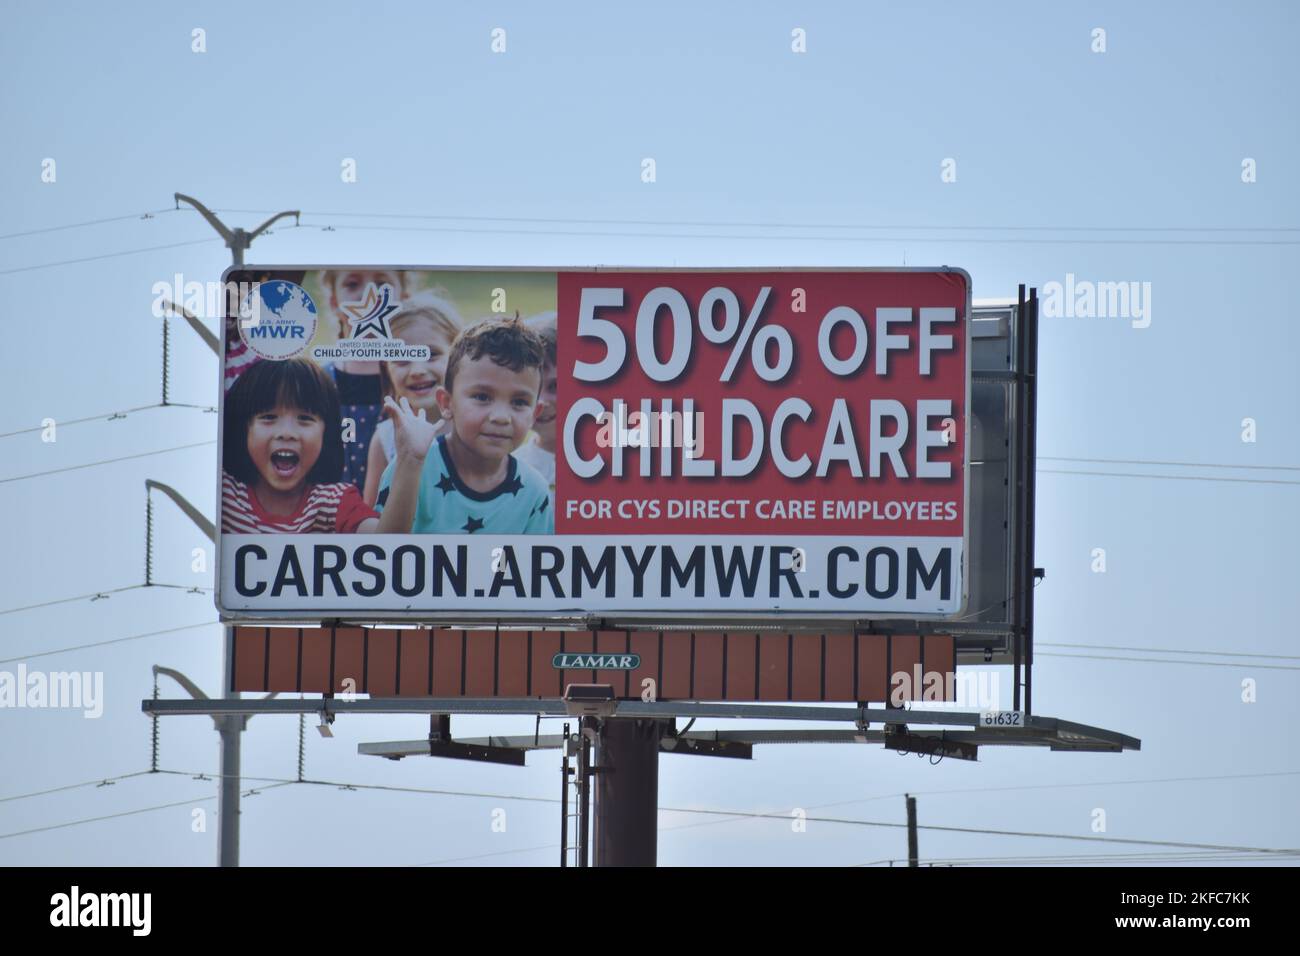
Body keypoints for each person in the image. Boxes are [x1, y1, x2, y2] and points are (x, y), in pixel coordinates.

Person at [375, 315, 554, 534]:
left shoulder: (534, 492)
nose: (501, 417)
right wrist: (409, 464)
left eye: (519, 402)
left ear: (534, 414)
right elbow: (384, 553)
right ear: (446, 403)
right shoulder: (410, 467)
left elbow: (532, 566)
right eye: (482, 397)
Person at [221, 358, 427, 534]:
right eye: (269, 417)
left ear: (326, 434)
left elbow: (385, 542)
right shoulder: (224, 494)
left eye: (304, 418)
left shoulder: (333, 503)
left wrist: (410, 460)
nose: (287, 433)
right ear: (244, 429)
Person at [362, 292, 463, 506]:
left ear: (458, 358)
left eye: (431, 354)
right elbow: (371, 517)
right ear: (385, 368)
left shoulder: (473, 426)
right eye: (401, 359)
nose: (417, 370)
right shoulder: (385, 438)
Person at [315, 269, 411, 491]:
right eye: (352, 284)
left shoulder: (418, 379)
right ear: (334, 302)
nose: (369, 293)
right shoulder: (320, 380)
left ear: (404, 299)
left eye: (381, 283)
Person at [514, 312, 557, 506]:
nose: (542, 401)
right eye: (532, 389)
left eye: (555, 386)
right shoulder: (512, 467)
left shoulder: (616, 464)